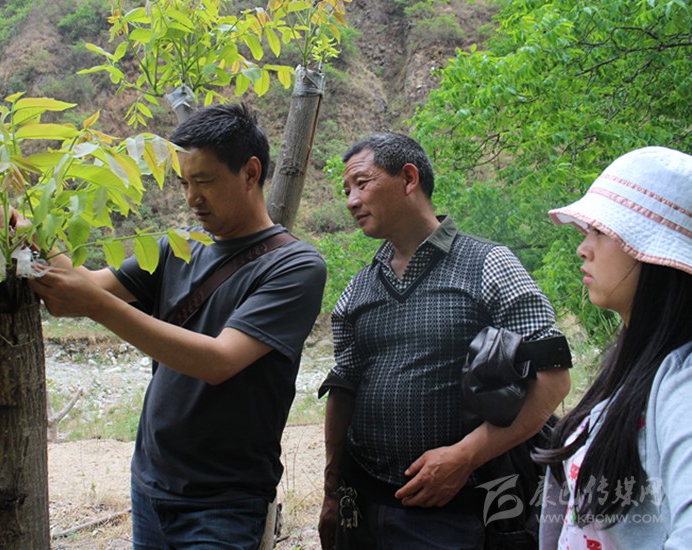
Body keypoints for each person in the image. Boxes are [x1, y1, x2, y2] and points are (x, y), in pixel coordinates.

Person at [28, 103, 327, 549]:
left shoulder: (294, 266)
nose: (191, 198)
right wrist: (30, 235)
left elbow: (219, 361)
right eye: (184, 183)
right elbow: (85, 287)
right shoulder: (181, 245)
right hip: (150, 485)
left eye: (204, 181)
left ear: (250, 173)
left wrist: (94, 305)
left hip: (223, 503)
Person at [317, 133, 571, 549]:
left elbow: (554, 377)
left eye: (361, 184)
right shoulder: (358, 288)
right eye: (346, 191)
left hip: (457, 514)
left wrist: (465, 456)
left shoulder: (488, 264)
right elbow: (344, 389)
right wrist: (332, 493)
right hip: (362, 508)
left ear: (409, 178)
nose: (351, 201)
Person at [537, 146, 692, 549]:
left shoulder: (683, 382)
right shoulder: (635, 365)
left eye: (600, 232)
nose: (582, 248)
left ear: (654, 253)